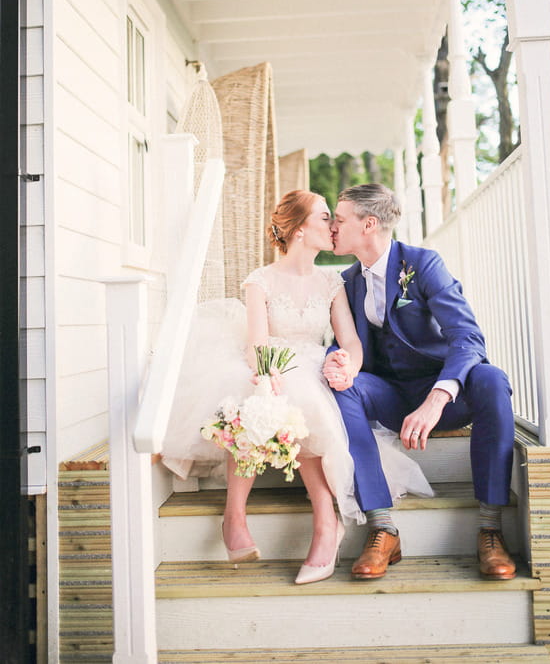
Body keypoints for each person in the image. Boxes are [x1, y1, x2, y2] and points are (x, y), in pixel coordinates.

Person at [161, 189, 432, 585]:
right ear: (302, 229)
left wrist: (348, 365)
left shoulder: (332, 282)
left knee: (303, 393)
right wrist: (268, 373)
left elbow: (351, 341)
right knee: (254, 392)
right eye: (326, 218)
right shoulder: (261, 281)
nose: (334, 225)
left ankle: (326, 523)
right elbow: (256, 343)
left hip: (311, 363)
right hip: (266, 361)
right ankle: (234, 515)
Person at [323, 183, 516, 581]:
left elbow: (468, 338)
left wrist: (437, 398)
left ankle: (490, 529)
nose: (332, 228)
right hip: (390, 394)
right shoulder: (346, 281)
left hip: (441, 394)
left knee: (493, 379)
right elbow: (342, 343)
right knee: (344, 386)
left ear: (369, 224)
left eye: (339, 220)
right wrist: (335, 362)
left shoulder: (423, 264)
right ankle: (382, 527)